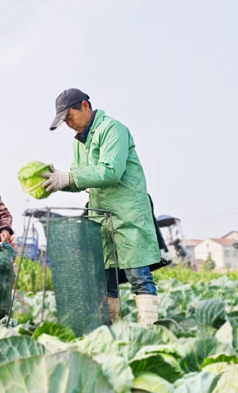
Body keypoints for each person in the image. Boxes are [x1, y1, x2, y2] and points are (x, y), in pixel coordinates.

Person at [43, 88, 160, 326]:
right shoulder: (79, 142)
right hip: (101, 216)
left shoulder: (112, 129)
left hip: (127, 213)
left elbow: (110, 171)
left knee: (138, 275)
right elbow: (81, 177)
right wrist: (59, 181)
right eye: (64, 121)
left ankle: (150, 329)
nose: (69, 124)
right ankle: (110, 328)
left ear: (85, 106)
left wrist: (69, 178)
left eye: (70, 118)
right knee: (106, 280)